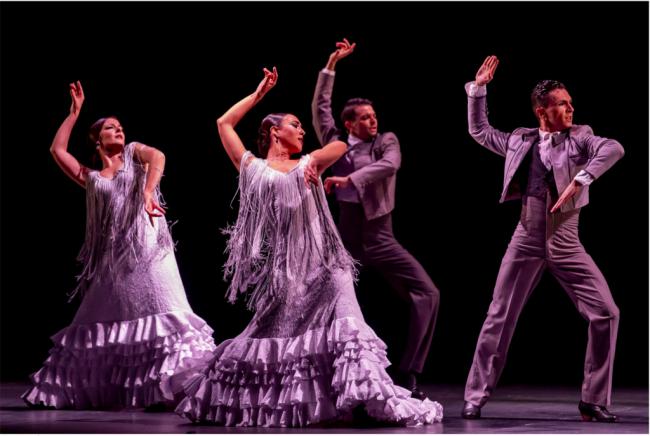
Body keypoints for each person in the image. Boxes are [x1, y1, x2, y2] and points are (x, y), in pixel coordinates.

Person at [174, 68, 443, 427]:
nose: (302, 130)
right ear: (275, 132)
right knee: (273, 335)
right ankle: (303, 402)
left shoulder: (308, 163)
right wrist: (258, 94)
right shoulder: (253, 169)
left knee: (349, 326)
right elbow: (224, 123)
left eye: (302, 126)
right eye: (295, 125)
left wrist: (315, 162)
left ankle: (366, 396)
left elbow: (340, 145)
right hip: (285, 273)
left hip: (327, 266)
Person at [22, 81, 216, 410]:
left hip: (149, 246)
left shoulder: (132, 153)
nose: (119, 129)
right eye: (111, 127)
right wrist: (74, 113)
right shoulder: (93, 178)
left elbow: (159, 156)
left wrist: (149, 191)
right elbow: (57, 151)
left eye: (120, 125)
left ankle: (177, 386)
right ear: (97, 140)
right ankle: (94, 389)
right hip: (114, 258)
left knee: (164, 308)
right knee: (100, 318)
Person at [461, 56, 624, 422]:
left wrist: (582, 179)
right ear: (542, 111)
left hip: (567, 241)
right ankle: (475, 395)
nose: (570, 108)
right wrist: (479, 90)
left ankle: (593, 400)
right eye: (562, 103)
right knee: (498, 317)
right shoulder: (521, 139)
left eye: (570, 103)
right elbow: (481, 131)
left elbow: (612, 147)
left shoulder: (580, 136)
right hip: (526, 237)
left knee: (606, 313)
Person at [311, 39, 440, 400]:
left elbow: (390, 166)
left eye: (374, 115)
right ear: (349, 123)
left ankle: (410, 371)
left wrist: (349, 179)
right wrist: (331, 64)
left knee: (427, 293)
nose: (373, 120)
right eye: (365, 117)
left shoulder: (385, 141)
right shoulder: (335, 140)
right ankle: (318, 371)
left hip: (380, 235)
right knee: (319, 299)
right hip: (344, 235)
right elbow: (320, 107)